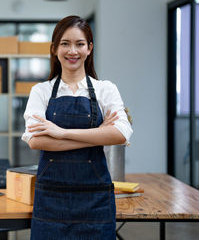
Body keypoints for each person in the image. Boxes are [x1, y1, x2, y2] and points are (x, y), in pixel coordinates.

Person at [21, 15, 133, 239]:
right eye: (65, 44)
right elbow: (36, 141)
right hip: (51, 199)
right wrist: (99, 134)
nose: (72, 51)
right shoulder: (41, 91)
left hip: (95, 200)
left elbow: (121, 133)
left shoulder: (105, 90)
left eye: (79, 44)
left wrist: (61, 133)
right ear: (54, 49)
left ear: (89, 48)